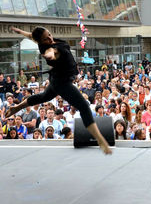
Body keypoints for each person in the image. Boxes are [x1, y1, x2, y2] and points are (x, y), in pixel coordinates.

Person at [7, 26, 111, 154]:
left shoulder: (49, 41)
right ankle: (100, 140)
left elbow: (31, 37)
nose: (50, 38)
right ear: (41, 42)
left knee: (43, 97)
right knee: (84, 106)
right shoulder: (50, 48)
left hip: (56, 78)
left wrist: (21, 32)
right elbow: (51, 52)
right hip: (62, 83)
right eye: (46, 38)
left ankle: (16, 108)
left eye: (49, 34)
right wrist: (49, 55)